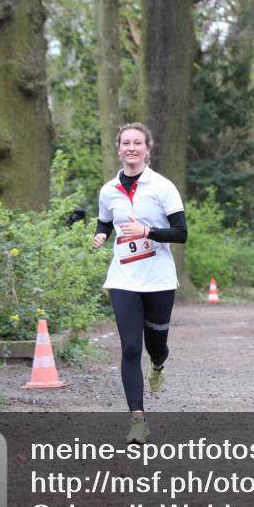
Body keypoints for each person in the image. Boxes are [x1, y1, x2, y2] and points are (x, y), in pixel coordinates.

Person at [92, 123, 187, 444]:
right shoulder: (108, 190)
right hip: (123, 276)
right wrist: (102, 234)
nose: (131, 148)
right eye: (126, 143)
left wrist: (147, 232)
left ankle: (158, 365)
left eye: (137, 143)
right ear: (118, 148)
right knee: (131, 347)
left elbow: (181, 233)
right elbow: (105, 218)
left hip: (158, 277)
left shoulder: (162, 187)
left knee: (155, 346)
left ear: (148, 148)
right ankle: (137, 420)